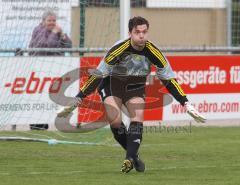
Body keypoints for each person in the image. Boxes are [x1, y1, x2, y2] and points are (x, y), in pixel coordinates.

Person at [57, 16, 206, 173]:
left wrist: (185, 103)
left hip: (135, 84)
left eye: (144, 32)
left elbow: (168, 79)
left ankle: (129, 158)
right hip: (112, 82)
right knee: (115, 120)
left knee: (138, 115)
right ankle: (134, 156)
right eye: (137, 32)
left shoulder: (154, 52)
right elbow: (98, 75)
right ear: (130, 33)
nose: (141, 36)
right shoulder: (118, 49)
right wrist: (78, 98)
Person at [29, 10, 72, 130]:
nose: (52, 23)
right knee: (40, 96)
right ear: (43, 21)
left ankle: (52, 121)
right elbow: (47, 45)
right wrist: (54, 33)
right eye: (49, 20)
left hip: (54, 68)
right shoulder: (38, 30)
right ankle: (36, 124)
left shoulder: (58, 31)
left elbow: (69, 46)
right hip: (39, 68)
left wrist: (63, 35)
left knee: (54, 95)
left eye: (54, 20)